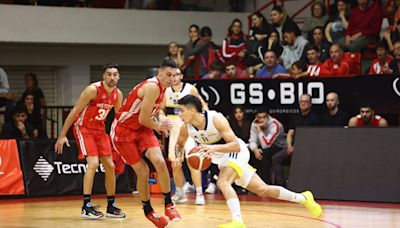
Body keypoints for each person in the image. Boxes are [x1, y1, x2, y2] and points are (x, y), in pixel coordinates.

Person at [175, 94, 323, 228]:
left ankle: (237, 221)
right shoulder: (185, 128)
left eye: (181, 110)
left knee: (223, 182)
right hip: (221, 159)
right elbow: (179, 145)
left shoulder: (215, 119)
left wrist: (213, 149)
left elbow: (235, 145)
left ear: (192, 111)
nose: (178, 114)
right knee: (262, 189)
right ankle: (303, 198)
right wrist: (177, 158)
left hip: (235, 152)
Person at [110, 59, 181, 227]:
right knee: (143, 171)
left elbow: (149, 114)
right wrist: (158, 126)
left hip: (142, 129)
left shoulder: (164, 89)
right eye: (168, 75)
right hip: (124, 131)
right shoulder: (153, 87)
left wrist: (159, 122)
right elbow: (143, 118)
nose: (171, 79)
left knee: (160, 162)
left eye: (174, 76)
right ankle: (148, 210)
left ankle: (168, 203)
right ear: (160, 72)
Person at [54, 63, 124, 219]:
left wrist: (121, 137)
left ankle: (111, 205)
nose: (112, 77)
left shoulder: (118, 94)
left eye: (115, 74)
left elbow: (119, 118)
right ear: (103, 76)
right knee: (93, 164)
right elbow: (75, 110)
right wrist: (62, 134)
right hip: (83, 128)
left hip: (100, 130)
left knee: (110, 166)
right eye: (109, 74)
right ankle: (86, 206)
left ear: (118, 77)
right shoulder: (93, 90)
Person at [159, 67, 208, 205]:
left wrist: (203, 124)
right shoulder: (166, 91)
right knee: (175, 163)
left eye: (177, 75)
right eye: (171, 75)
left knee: (193, 160)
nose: (174, 78)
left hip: (189, 130)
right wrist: (162, 118)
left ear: (181, 76)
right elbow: (160, 110)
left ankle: (199, 193)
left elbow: (203, 106)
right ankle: (180, 193)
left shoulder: (190, 89)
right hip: (174, 131)